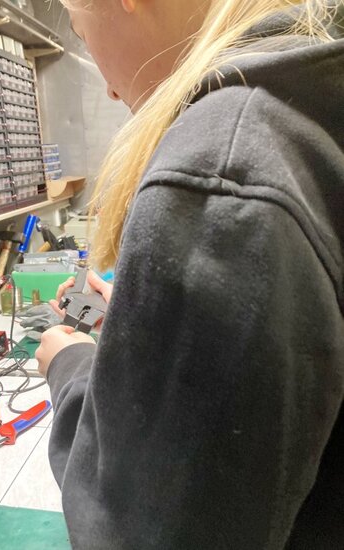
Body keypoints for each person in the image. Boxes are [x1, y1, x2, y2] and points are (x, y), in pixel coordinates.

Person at [35, 0, 344, 548]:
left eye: (82, 33)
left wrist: (71, 364)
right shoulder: (306, 103)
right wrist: (145, 314)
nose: (109, 91)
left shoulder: (222, 170)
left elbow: (136, 529)